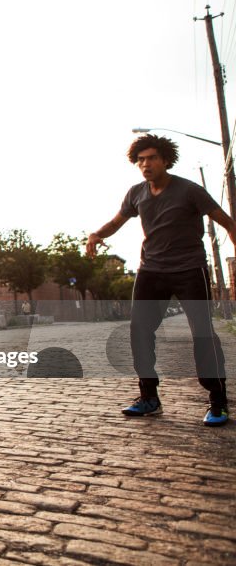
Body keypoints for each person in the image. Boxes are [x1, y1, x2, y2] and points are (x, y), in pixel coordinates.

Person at [87, 134, 231, 426]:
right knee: (139, 332)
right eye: (140, 160)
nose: (145, 164)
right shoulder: (136, 193)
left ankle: (217, 400)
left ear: (165, 159)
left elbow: (227, 222)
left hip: (190, 270)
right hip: (151, 271)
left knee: (202, 332)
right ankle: (149, 398)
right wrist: (96, 234)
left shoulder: (190, 191)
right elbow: (116, 222)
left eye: (151, 158)